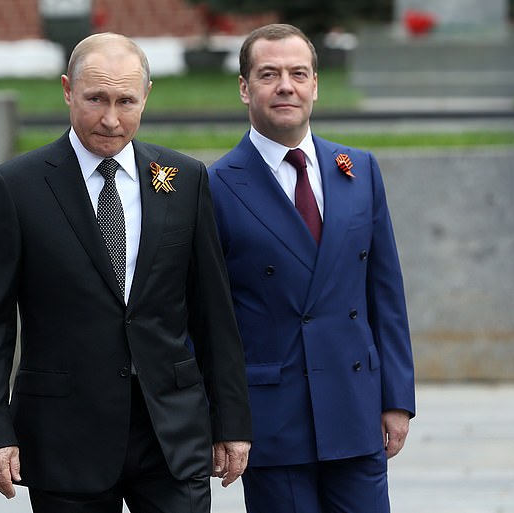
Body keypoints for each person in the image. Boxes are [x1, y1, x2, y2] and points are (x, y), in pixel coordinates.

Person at [0, 32, 252, 513]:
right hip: (65, 435)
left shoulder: (184, 180)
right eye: (96, 98)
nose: (111, 118)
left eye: (126, 101)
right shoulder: (15, 187)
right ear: (67, 90)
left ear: (146, 97)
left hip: (171, 434)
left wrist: (233, 423)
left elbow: (213, 314)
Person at [207, 24, 415, 513]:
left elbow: (385, 292)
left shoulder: (359, 169)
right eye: (269, 74)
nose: (286, 85)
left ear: (315, 84)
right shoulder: (214, 185)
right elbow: (207, 316)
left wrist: (396, 398)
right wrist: (222, 420)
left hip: (355, 407)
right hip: (273, 420)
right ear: (244, 87)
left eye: (298, 73)